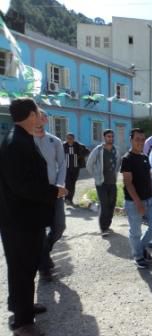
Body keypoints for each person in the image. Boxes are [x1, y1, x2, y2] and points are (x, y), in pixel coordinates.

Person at [0, 98, 65, 336]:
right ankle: (22, 323)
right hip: (19, 221)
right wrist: (54, 191)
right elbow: (23, 186)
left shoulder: (22, 139)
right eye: (38, 112)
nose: (41, 116)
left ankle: (22, 307)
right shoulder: (16, 143)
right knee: (22, 268)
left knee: (25, 268)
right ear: (30, 115)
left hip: (26, 218)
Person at [34, 110, 67, 281]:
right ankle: (44, 267)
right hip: (35, 195)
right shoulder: (27, 141)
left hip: (55, 192)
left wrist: (60, 185)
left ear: (46, 120)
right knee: (39, 231)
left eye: (42, 117)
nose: (40, 120)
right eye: (36, 117)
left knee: (59, 226)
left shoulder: (54, 141)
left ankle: (43, 255)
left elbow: (62, 165)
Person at [121, 128, 152, 269]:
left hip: (150, 199)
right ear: (131, 140)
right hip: (134, 202)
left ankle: (141, 248)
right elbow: (128, 182)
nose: (140, 142)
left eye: (143, 139)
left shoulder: (144, 157)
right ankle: (138, 256)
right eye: (137, 139)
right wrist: (138, 203)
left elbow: (149, 177)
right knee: (135, 231)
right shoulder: (127, 159)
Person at [86, 129, 121, 236]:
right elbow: (89, 164)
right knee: (105, 204)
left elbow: (118, 163)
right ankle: (103, 228)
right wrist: (96, 176)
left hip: (112, 182)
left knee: (112, 204)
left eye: (112, 136)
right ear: (104, 137)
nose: (110, 138)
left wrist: (115, 174)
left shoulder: (116, 150)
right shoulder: (98, 150)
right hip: (101, 183)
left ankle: (108, 225)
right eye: (108, 136)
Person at [63, 133, 89, 206]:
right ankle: (67, 199)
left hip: (75, 168)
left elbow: (87, 151)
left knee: (72, 184)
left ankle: (70, 199)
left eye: (70, 138)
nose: (69, 140)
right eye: (67, 138)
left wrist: (80, 157)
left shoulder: (79, 146)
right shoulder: (63, 145)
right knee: (68, 183)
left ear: (73, 139)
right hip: (66, 168)